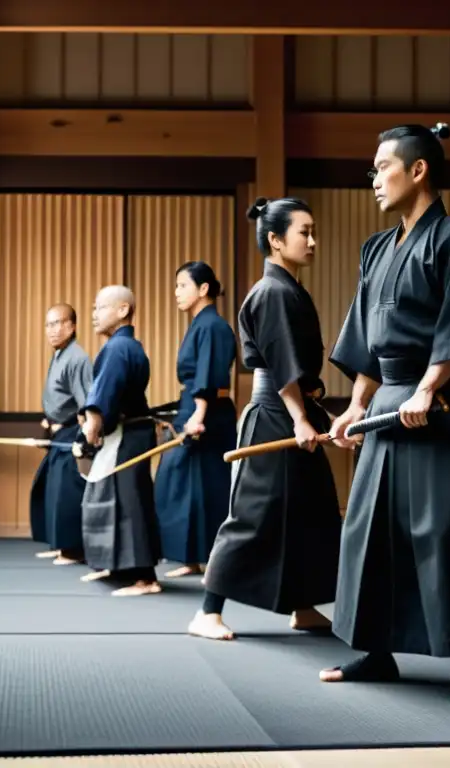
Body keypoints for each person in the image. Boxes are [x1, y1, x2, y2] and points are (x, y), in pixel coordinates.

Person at [321, 123, 450, 707]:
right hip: (388, 406)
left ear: (418, 170)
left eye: (383, 166)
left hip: (443, 407)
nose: (374, 178)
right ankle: (376, 650)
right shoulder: (377, 249)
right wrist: (355, 406)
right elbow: (368, 339)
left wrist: (428, 388)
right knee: (370, 531)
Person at [189, 197, 343, 641]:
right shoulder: (272, 291)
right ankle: (207, 611)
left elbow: (300, 370)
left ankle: (303, 604)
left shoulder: (288, 287)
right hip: (275, 414)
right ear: (275, 240)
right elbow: (281, 363)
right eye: (304, 232)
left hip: (295, 409)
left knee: (309, 512)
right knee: (255, 514)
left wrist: (317, 412)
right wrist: (299, 418)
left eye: (314, 231)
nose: (313, 241)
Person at [154, 262, 238, 579]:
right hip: (195, 407)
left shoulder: (212, 326)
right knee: (187, 486)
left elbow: (208, 372)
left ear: (203, 289)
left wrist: (199, 415)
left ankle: (215, 560)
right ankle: (192, 558)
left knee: (206, 485)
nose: (176, 292)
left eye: (182, 285)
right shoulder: (200, 324)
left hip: (207, 414)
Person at [78, 285, 162, 597]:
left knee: (130, 503)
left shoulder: (117, 349)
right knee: (118, 499)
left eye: (99, 307)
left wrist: (91, 427)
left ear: (123, 310)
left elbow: (103, 397)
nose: (94, 314)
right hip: (130, 433)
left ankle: (145, 577)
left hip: (128, 435)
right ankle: (117, 566)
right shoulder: (128, 347)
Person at [29, 304, 93, 565]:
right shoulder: (58, 355)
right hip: (57, 432)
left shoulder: (77, 358)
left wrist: (84, 436)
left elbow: (86, 402)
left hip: (71, 433)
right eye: (49, 324)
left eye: (58, 323)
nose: (52, 330)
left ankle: (73, 549)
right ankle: (59, 545)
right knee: (51, 490)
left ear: (72, 326)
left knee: (68, 492)